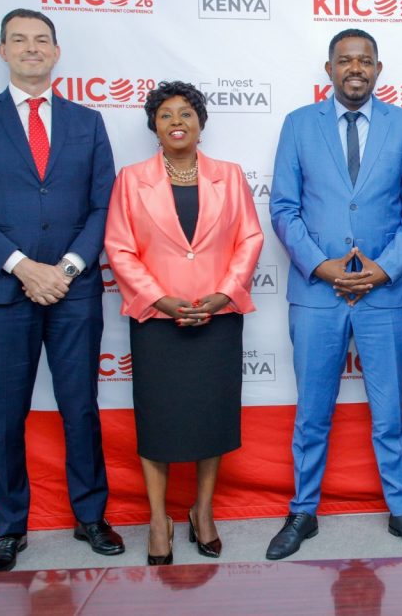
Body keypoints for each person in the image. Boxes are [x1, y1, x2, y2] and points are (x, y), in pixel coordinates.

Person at [0, 8, 121, 572]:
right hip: (0, 290)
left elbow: (103, 206)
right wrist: (22, 267)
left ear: (56, 51)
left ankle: (90, 516)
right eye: (19, 40)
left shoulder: (88, 121)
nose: (31, 48)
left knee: (80, 407)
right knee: (5, 411)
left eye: (42, 40)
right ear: (3, 51)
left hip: (74, 290)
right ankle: (10, 527)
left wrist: (65, 269)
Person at [267, 29, 402, 559]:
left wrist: (383, 269)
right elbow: (284, 208)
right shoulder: (299, 124)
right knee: (312, 412)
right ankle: (302, 511)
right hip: (318, 293)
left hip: (385, 294)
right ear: (329, 69)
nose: (355, 68)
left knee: (391, 413)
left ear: (379, 69)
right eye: (345, 60)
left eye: (364, 60)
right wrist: (322, 266)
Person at [104, 81, 263, 564]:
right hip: (157, 321)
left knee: (211, 419)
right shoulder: (131, 179)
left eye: (186, 113)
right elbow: (119, 248)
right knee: (158, 422)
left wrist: (223, 295)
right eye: (166, 114)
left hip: (217, 316)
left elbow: (250, 238)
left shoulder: (229, 176)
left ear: (201, 122)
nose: (177, 121)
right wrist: (161, 300)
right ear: (153, 126)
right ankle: (158, 520)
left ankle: (202, 511)